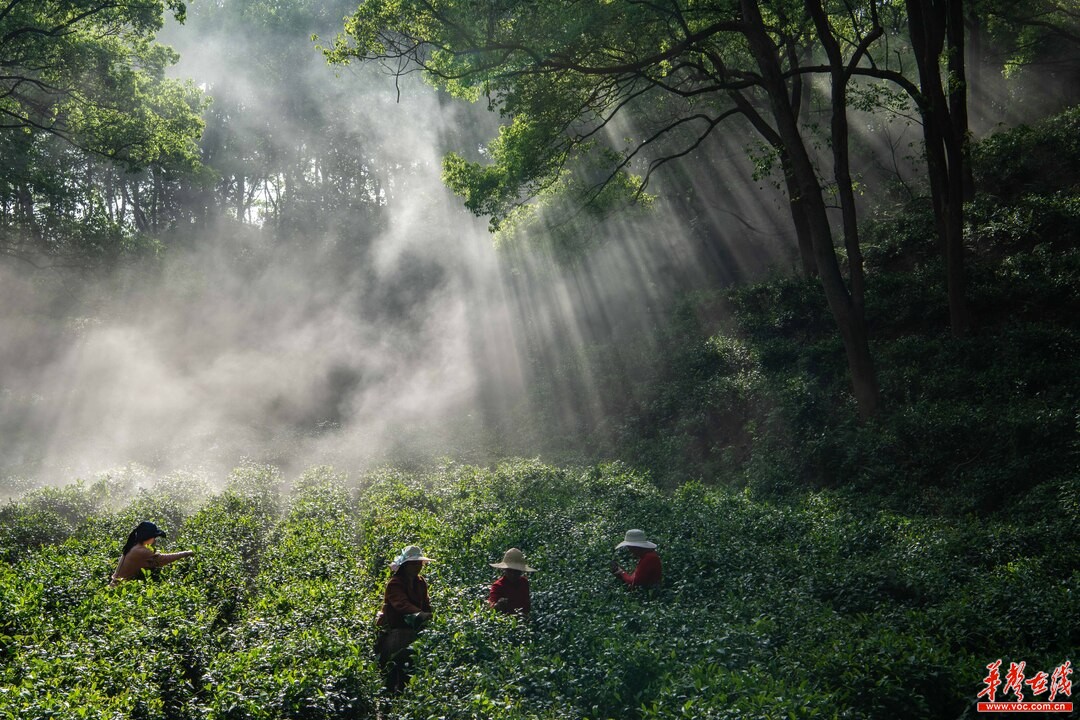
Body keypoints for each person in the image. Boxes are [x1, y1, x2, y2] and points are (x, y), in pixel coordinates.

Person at [375, 545, 434, 694]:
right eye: (414, 564)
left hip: (414, 632)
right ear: (406, 565)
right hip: (396, 632)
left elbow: (426, 603)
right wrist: (419, 614)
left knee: (408, 675)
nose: (418, 567)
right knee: (392, 672)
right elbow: (401, 604)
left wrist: (429, 615)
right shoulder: (395, 583)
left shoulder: (420, 583)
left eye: (419, 564)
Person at [110, 521, 194, 586]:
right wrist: (186, 553)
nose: (155, 539)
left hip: (116, 585)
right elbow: (162, 560)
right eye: (154, 536)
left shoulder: (134, 546)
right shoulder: (140, 551)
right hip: (119, 588)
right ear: (147, 536)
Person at [487, 547, 536, 618]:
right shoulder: (498, 586)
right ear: (505, 570)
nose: (513, 574)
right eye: (510, 570)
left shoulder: (524, 583)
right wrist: (498, 606)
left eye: (516, 571)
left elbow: (526, 607)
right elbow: (491, 608)